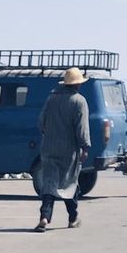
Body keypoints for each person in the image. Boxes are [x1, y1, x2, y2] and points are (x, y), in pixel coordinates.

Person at [33, 68, 90, 232]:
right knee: (69, 184)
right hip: (68, 150)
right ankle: (73, 218)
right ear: (78, 84)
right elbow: (82, 128)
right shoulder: (79, 101)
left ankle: (44, 217)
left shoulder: (51, 99)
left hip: (49, 147)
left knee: (50, 184)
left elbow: (41, 123)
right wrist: (85, 147)